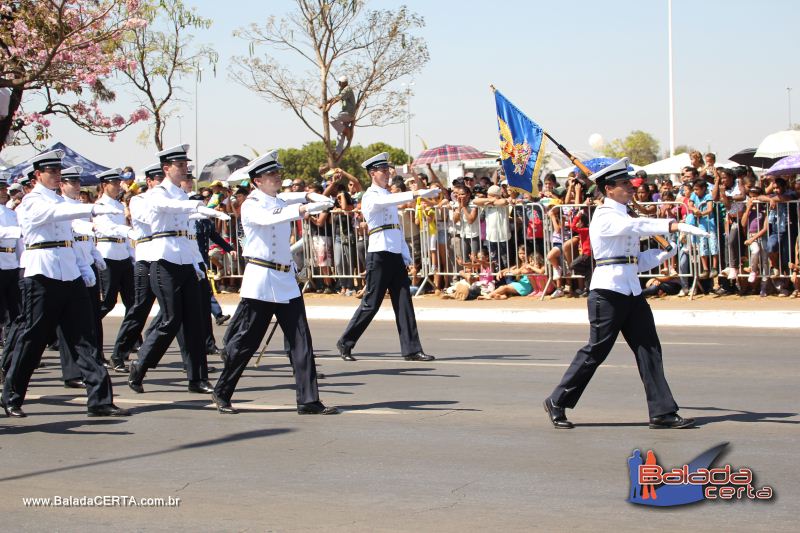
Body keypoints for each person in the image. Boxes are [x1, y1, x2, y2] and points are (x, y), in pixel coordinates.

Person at [543, 157, 710, 430]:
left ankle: (662, 412)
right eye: (624, 184)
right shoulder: (605, 217)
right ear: (609, 189)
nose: (632, 188)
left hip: (631, 291)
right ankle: (557, 400)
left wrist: (665, 252)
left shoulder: (623, 215)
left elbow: (635, 261)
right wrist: (672, 225)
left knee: (649, 350)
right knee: (596, 351)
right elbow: (638, 227)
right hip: (607, 293)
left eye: (630, 184)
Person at [1, 149, 128, 418]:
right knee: (32, 337)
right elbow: (55, 214)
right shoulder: (32, 202)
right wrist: (92, 208)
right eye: (52, 171)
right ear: (38, 175)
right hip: (42, 273)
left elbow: (72, 234)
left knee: (85, 337)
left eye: (59, 171)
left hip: (68, 272)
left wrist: (84, 266)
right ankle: (11, 395)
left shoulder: (61, 202)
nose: (57, 175)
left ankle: (100, 400)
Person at [212, 151, 338, 415]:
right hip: (262, 279)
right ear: (257, 180)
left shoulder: (278, 198)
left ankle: (308, 400)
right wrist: (304, 207)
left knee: (300, 341)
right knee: (248, 342)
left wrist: (310, 195)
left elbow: (302, 201)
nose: (277, 176)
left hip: (285, 279)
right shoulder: (251, 205)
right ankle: (223, 391)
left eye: (277, 173)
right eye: (271, 174)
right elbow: (272, 216)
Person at [127, 144, 228, 395]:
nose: (185, 169)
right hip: (164, 261)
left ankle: (197, 378)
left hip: (186, 260)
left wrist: (198, 264)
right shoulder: (156, 194)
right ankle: (140, 365)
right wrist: (199, 208)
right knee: (170, 319)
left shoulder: (183, 196)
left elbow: (188, 233)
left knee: (195, 320)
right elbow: (168, 208)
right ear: (166, 168)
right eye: (180, 165)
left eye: (185, 165)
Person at [336, 152, 439, 362]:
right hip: (379, 253)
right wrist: (418, 193)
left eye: (387, 170)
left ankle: (411, 349)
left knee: (403, 302)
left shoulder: (387, 196)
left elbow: (395, 228)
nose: (387, 173)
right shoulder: (371, 196)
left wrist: (405, 254)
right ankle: (346, 341)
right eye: (383, 170)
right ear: (372, 173)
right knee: (371, 303)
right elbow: (389, 202)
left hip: (393, 253)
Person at [56, 165, 108, 387]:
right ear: (62, 185)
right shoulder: (61, 207)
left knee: (90, 319)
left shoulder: (79, 206)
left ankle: (91, 362)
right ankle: (71, 372)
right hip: (70, 267)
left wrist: (96, 256)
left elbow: (87, 240)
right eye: (71, 182)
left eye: (78, 182)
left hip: (86, 266)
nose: (76, 186)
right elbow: (73, 238)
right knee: (67, 324)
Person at [110, 163, 164, 372]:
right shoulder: (139, 200)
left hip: (166, 259)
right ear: (149, 181)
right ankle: (119, 353)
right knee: (140, 309)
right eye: (158, 180)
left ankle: (193, 367)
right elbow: (151, 221)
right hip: (148, 259)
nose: (162, 184)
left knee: (174, 310)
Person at [93, 168, 135, 363]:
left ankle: (122, 349)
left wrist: (131, 255)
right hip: (108, 254)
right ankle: (88, 327)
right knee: (107, 303)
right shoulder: (100, 205)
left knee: (133, 303)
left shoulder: (119, 205)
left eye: (119, 183)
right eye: (114, 183)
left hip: (122, 254)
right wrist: (125, 231)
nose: (118, 186)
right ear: (104, 185)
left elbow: (125, 237)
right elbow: (106, 228)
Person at [326, 75, 356, 155]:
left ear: (344, 83)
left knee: (333, 120)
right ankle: (337, 152)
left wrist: (328, 104)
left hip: (349, 114)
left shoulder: (347, 89)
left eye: (339, 82)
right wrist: (328, 101)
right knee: (340, 132)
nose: (338, 84)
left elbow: (338, 97)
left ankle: (347, 130)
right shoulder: (343, 89)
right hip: (346, 113)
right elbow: (337, 96)